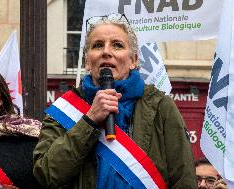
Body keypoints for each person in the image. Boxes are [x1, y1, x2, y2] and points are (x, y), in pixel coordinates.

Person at [33, 13, 197, 188]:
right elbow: (47, 174)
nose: (106, 52)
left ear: (133, 60)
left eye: (117, 45)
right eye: (97, 45)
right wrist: (89, 121)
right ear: (87, 61)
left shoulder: (160, 106)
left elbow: (183, 178)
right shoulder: (64, 110)